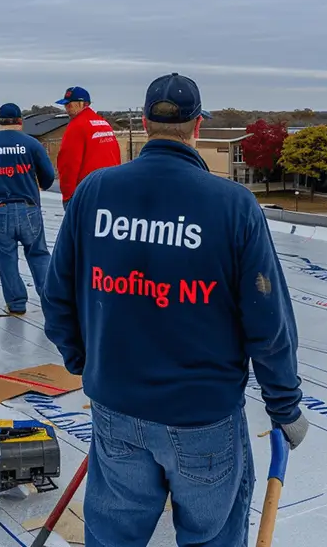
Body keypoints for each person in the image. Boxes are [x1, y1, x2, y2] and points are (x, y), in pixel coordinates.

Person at [41, 73, 307, 546]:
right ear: (197, 126)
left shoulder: (95, 192)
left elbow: (56, 294)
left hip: (116, 408)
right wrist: (284, 406)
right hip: (202, 418)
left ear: (145, 124)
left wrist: (84, 362)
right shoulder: (232, 205)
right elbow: (267, 322)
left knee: (113, 537)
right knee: (211, 537)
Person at [0, 103, 56, 314]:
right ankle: (51, 300)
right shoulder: (31, 144)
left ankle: (16, 303)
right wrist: (40, 185)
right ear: (20, 121)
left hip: (0, 209)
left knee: (6, 258)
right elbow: (48, 176)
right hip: (29, 208)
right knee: (38, 254)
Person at [54, 86, 121, 210]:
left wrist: (68, 196)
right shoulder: (103, 123)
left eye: (69, 104)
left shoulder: (76, 126)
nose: (66, 108)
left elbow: (68, 163)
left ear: (82, 103)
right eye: (65, 105)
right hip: (109, 189)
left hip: (86, 193)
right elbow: (115, 155)